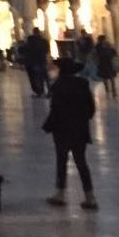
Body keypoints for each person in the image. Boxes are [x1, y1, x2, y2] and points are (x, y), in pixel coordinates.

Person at [43, 57, 97, 210]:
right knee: (81, 162)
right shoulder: (83, 84)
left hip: (61, 131)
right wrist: (82, 120)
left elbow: (56, 111)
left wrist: (48, 126)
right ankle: (90, 196)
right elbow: (91, 108)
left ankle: (60, 194)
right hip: (80, 130)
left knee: (61, 161)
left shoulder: (57, 86)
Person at [24, 26, 51, 98]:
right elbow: (47, 50)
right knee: (45, 76)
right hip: (42, 60)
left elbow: (28, 50)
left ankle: (40, 91)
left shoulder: (31, 41)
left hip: (35, 61)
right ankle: (49, 91)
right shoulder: (44, 41)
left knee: (38, 77)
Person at [95, 35, 118, 100]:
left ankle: (113, 91)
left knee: (111, 78)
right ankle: (108, 90)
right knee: (106, 78)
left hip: (108, 63)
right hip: (104, 64)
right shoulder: (98, 47)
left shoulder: (107, 45)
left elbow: (114, 53)